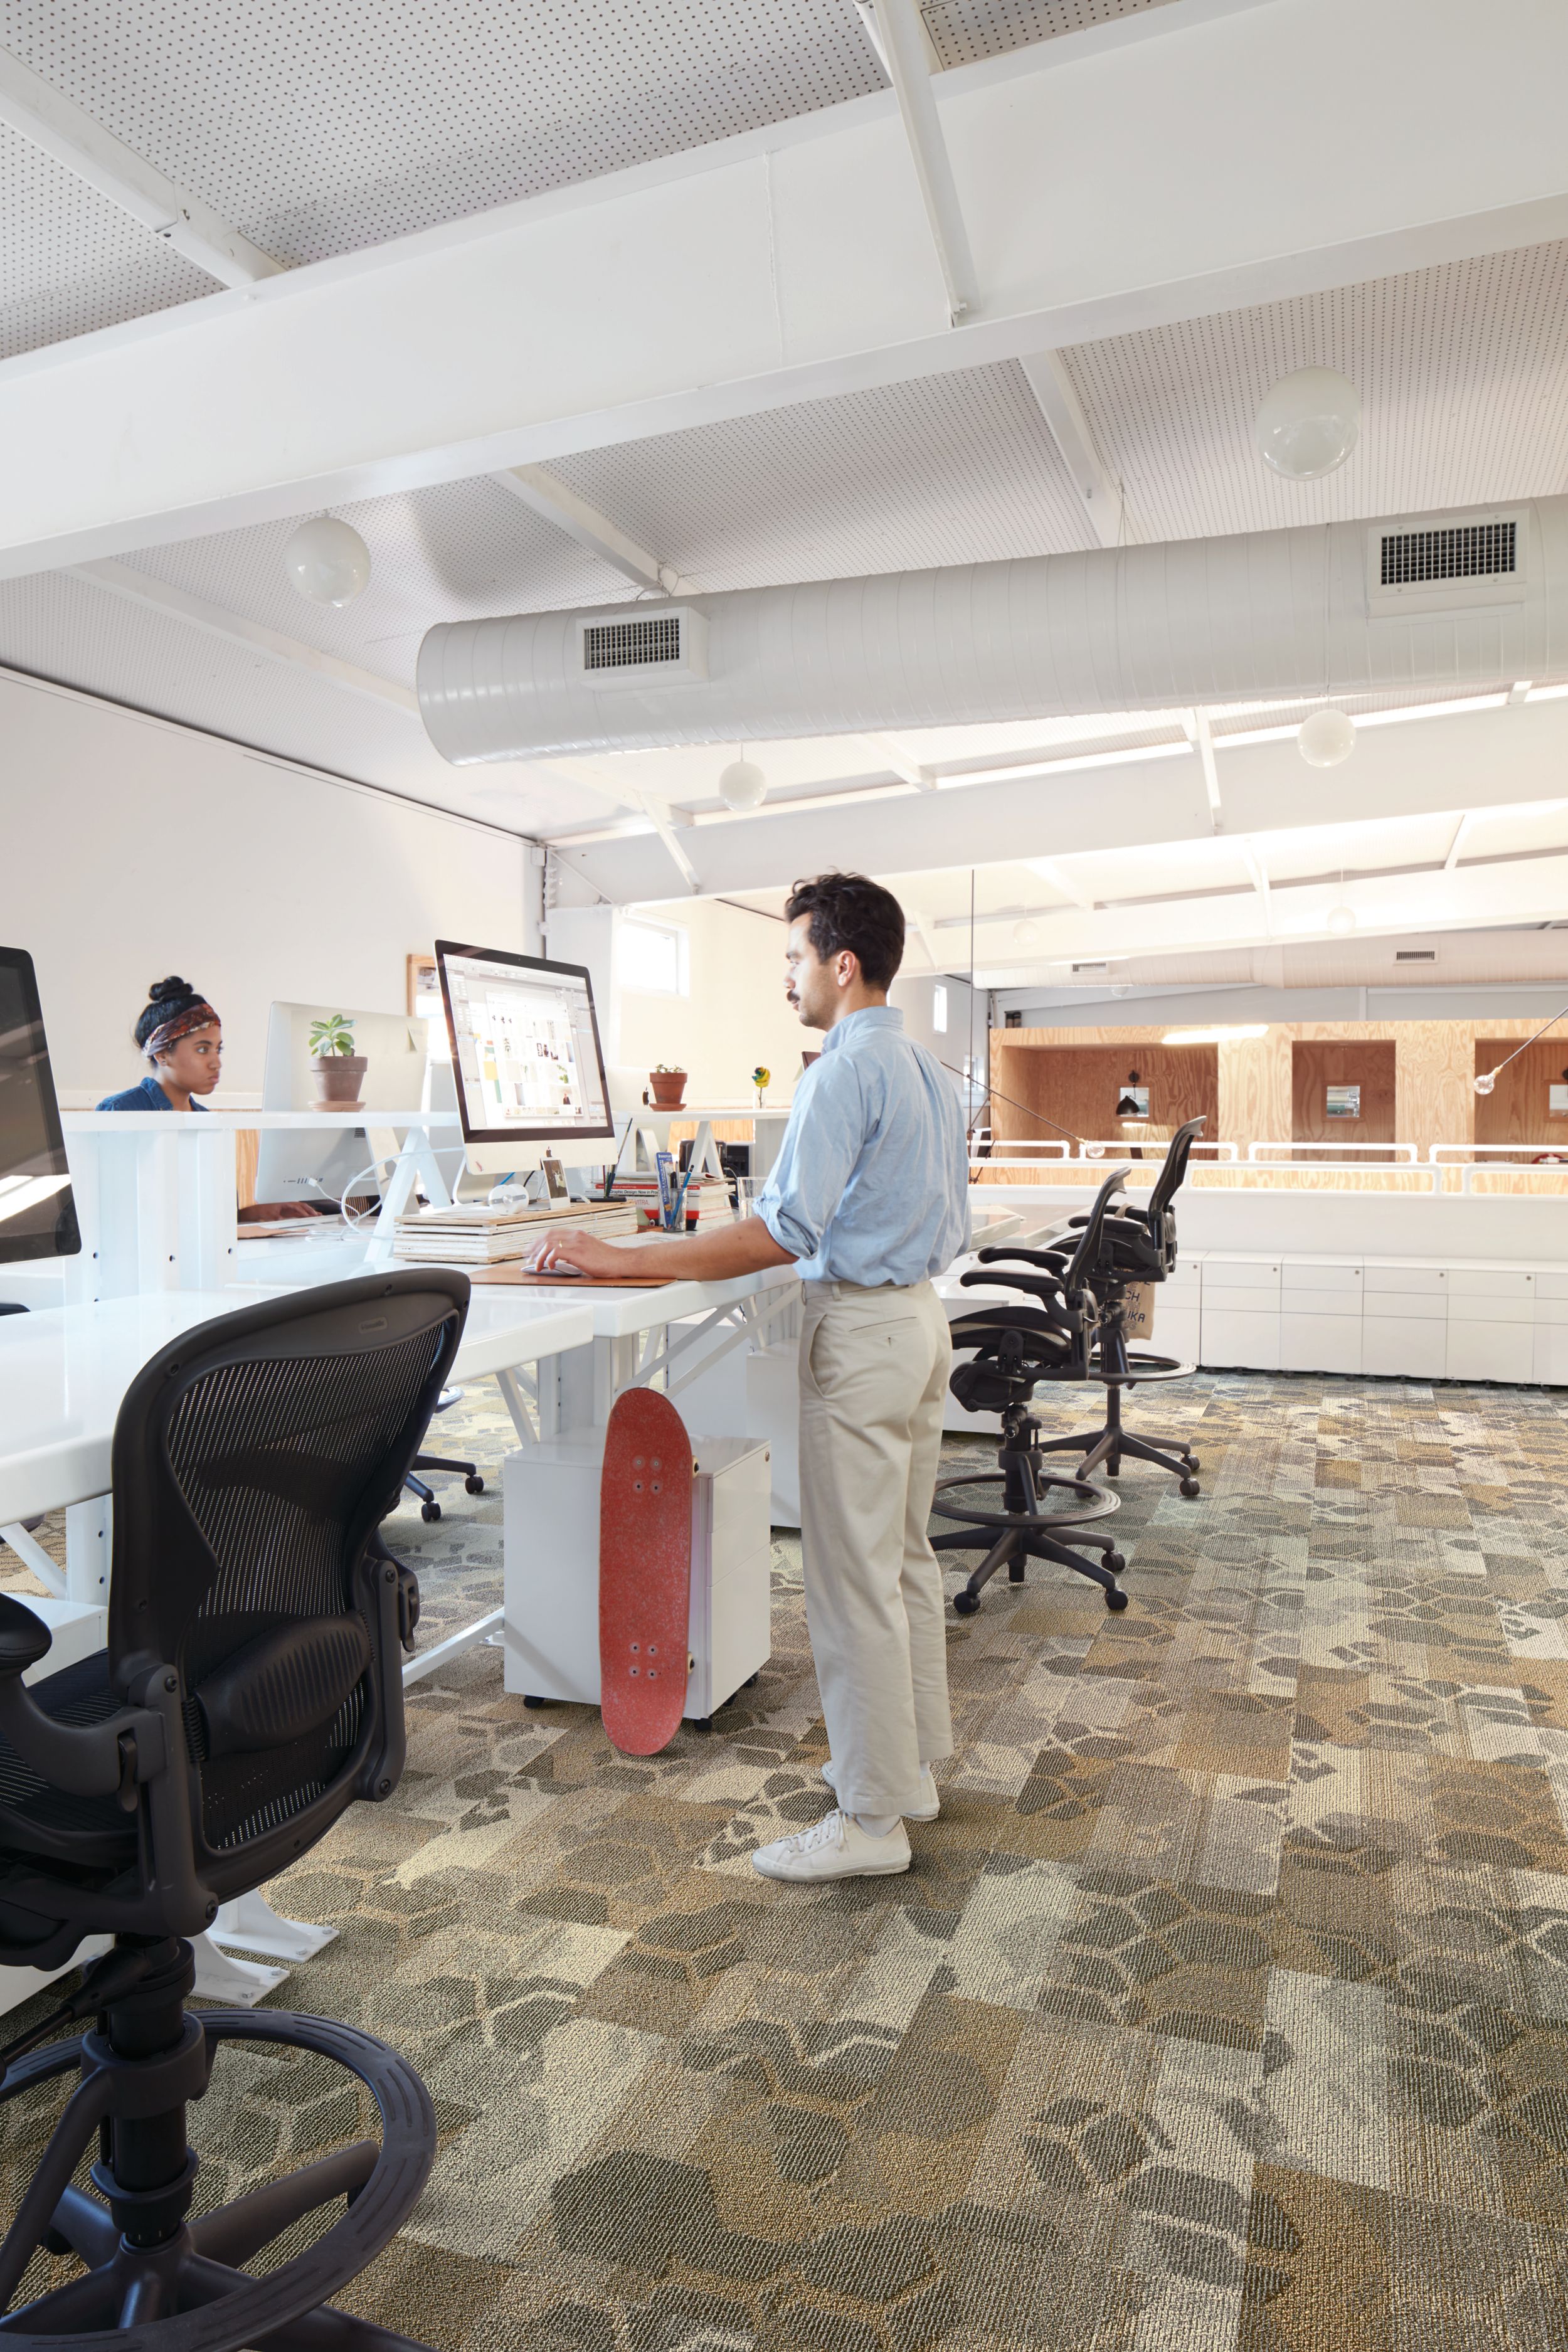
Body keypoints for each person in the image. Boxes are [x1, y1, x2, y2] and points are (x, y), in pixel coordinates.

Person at [532, 872, 971, 1883]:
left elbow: (782, 1229)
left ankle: (870, 1819)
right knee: (901, 1562)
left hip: (861, 1333)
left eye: (792, 958)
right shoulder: (927, 1070)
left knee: (852, 1581)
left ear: (841, 962)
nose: (788, 978)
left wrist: (626, 1259)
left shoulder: (838, 1074)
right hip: (918, 1324)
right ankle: (906, 1775)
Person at [98, 977, 315, 1220]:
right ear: (162, 1055)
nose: (216, 1062)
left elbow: (215, 1217)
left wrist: (254, 1214)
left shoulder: (208, 1121)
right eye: (203, 1049)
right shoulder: (121, 1112)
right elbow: (111, 1216)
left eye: (218, 1049)